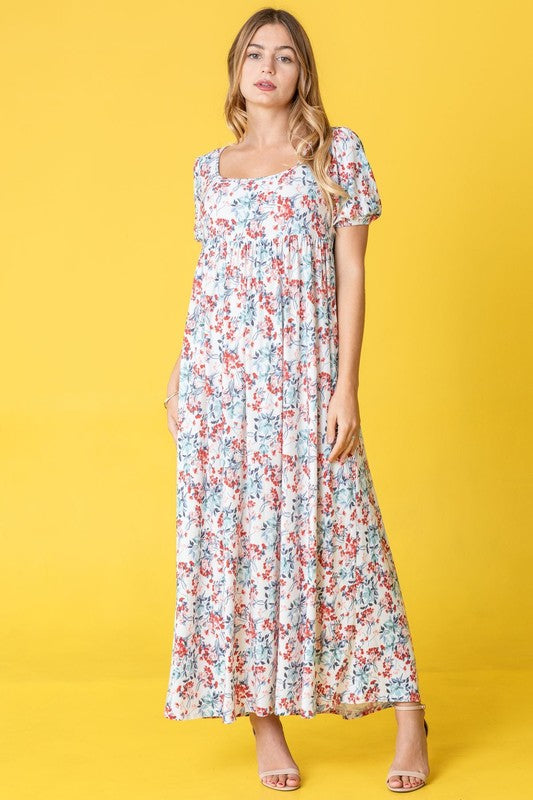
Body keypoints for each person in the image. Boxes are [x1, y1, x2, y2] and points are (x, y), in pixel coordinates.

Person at [163, 7, 430, 794]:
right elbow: (210, 282)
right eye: (255, 53)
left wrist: (345, 385)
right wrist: (181, 370)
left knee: (348, 537)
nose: (268, 67)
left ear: (301, 73)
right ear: (236, 70)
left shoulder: (335, 152)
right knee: (235, 548)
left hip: (306, 376)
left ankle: (409, 711)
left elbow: (352, 273)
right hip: (221, 387)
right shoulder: (207, 170)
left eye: (284, 56)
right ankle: (265, 724)